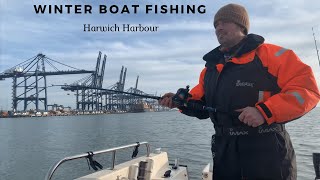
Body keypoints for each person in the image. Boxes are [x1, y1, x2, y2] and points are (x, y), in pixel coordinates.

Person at [159, 3, 320, 180]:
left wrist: (265, 111)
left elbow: (306, 90)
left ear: (241, 26)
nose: (218, 27)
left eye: (224, 22)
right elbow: (200, 103)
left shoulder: (272, 55)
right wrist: (179, 102)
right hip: (225, 153)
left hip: (268, 154)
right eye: (215, 25)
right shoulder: (210, 70)